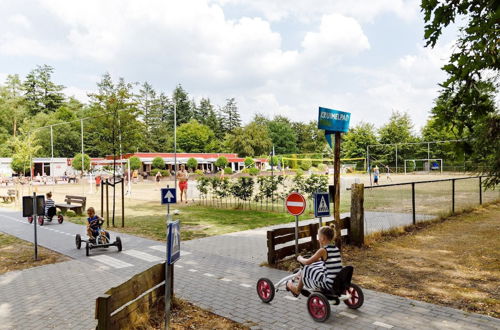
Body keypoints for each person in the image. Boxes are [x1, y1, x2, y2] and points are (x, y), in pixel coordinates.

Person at [286, 226, 342, 297]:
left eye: (319, 236)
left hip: (328, 283)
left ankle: (297, 290)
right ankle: (302, 280)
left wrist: (299, 258)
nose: (318, 239)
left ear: (322, 238)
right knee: (318, 265)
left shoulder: (323, 250)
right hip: (337, 280)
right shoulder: (335, 248)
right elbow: (329, 261)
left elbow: (307, 262)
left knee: (306, 268)